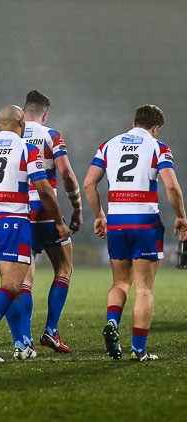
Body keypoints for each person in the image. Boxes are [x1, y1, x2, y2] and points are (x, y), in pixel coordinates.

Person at [0, 105, 70, 362]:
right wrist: (59, 221)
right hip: (14, 221)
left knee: (15, 286)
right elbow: (44, 190)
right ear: (22, 122)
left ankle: (22, 344)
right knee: (11, 286)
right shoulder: (27, 149)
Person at [83, 104, 187, 361]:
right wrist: (182, 216)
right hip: (145, 224)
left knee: (120, 282)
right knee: (144, 289)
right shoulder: (157, 147)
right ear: (155, 128)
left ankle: (112, 322)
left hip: (117, 222)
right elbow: (171, 187)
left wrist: (99, 216)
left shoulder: (109, 145)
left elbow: (88, 183)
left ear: (134, 123)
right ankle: (138, 349)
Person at [4, 90, 83, 354]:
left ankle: (24, 338)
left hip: (18, 209)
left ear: (23, 112)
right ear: (45, 113)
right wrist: (76, 208)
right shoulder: (51, 135)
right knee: (64, 266)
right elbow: (67, 175)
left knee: (25, 278)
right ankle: (50, 330)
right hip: (46, 209)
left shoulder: (11, 136)